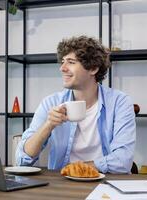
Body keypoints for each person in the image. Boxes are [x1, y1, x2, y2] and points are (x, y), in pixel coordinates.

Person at [15, 35, 136, 174]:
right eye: (62, 61)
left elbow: (123, 161)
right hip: (64, 184)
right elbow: (22, 159)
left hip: (106, 183)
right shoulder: (51, 103)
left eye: (71, 62)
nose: (62, 68)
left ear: (93, 68)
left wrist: (76, 169)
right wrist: (48, 125)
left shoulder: (119, 103)